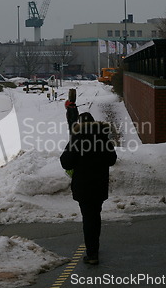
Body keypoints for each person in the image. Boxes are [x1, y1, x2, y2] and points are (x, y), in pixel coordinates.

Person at [60, 112, 117, 265]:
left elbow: (66, 163)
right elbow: (112, 160)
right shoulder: (103, 138)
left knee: (88, 218)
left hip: (83, 186)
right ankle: (94, 248)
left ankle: (92, 254)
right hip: (99, 185)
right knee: (95, 216)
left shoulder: (77, 139)